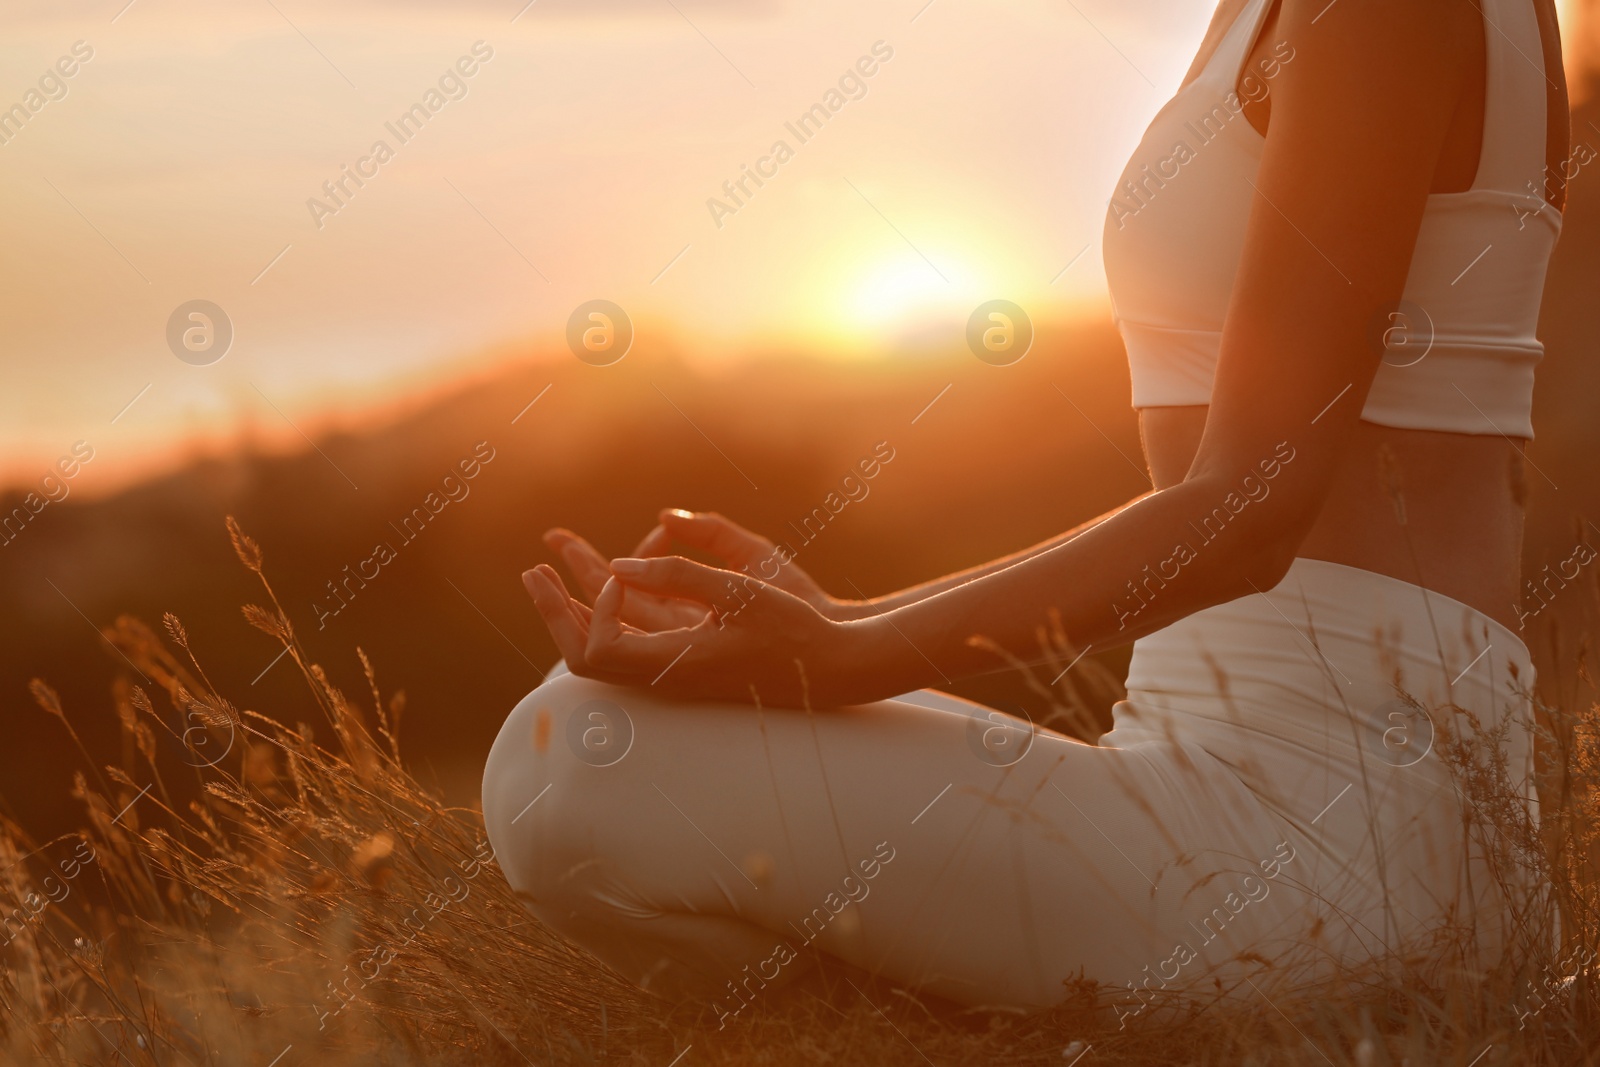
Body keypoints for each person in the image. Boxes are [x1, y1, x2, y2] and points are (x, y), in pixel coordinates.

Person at [483, 0, 1568, 1017]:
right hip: (1241, 769)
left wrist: (847, 653)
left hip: (1341, 826)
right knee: (604, 721)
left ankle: (917, 1024)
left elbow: (1248, 509)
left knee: (577, 755)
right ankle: (964, 1010)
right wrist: (844, 614)